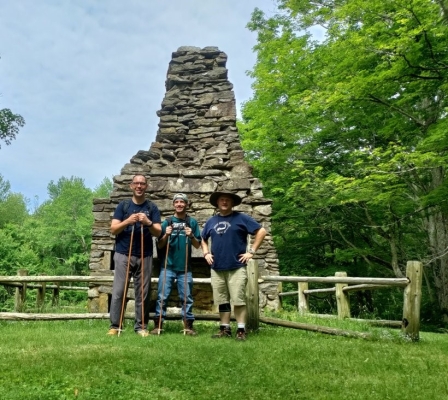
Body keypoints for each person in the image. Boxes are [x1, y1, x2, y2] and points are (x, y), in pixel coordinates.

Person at [201, 190, 266, 341]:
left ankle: (241, 330)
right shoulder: (211, 221)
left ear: (232, 203)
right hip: (217, 268)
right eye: (222, 200)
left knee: (238, 300)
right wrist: (206, 253)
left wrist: (251, 251)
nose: (224, 202)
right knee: (222, 300)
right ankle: (225, 329)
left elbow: (261, 231)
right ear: (217, 203)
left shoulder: (241, 218)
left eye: (227, 200)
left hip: (236, 266)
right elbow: (203, 238)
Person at [107, 174, 161, 337]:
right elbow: (113, 229)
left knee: (143, 293)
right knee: (119, 291)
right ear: (131, 186)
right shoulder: (123, 206)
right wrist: (128, 221)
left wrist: (148, 223)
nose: (139, 186)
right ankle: (115, 325)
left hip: (145, 254)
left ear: (146, 186)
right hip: (123, 253)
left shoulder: (152, 208)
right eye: (136, 183)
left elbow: (158, 232)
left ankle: (141, 327)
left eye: (142, 184)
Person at [151, 193, 201, 335]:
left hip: (185, 268)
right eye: (177, 202)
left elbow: (197, 245)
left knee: (187, 298)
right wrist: (166, 235)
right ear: (173, 205)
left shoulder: (192, 222)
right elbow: (160, 246)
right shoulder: (166, 222)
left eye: (182, 202)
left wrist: (191, 235)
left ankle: (188, 326)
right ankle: (158, 325)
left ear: (186, 204)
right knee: (162, 297)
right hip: (167, 266)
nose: (179, 204)